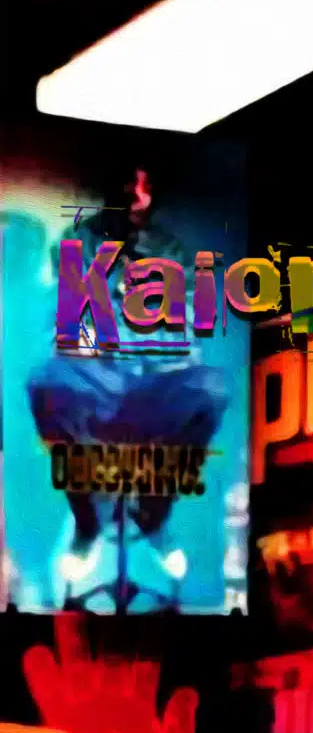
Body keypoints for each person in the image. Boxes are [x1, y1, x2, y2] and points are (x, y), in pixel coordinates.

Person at [25, 164, 229, 611]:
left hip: (154, 381)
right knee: (44, 381)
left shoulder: (171, 251)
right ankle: (88, 520)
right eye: (127, 184)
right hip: (98, 379)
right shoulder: (78, 242)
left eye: (145, 186)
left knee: (213, 388)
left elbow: (188, 329)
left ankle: (154, 515)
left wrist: (174, 357)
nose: (137, 196)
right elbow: (66, 321)